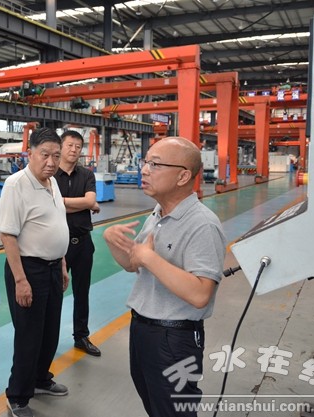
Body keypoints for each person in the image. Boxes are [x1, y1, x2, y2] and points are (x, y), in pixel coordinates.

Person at [103, 136, 227, 417]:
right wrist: (113, 242)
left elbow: (200, 294)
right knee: (155, 406)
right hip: (144, 329)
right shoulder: (157, 214)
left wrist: (149, 258)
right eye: (146, 162)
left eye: (155, 164)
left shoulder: (202, 225)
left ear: (183, 176)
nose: (145, 170)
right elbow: (133, 263)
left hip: (175, 339)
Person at [0, 127, 70, 417]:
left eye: (56, 156)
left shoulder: (52, 183)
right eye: (45, 155)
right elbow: (8, 235)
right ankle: (17, 395)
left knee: (50, 331)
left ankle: (40, 379)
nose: (51, 162)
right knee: (29, 336)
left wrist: (62, 264)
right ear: (30, 153)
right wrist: (20, 280)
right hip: (28, 269)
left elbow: (57, 224)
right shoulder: (16, 184)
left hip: (53, 268)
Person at [54, 130, 102, 357]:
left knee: (82, 293)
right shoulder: (51, 175)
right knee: (54, 295)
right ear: (61, 147)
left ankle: (81, 336)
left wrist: (61, 203)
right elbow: (49, 205)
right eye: (69, 145)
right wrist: (85, 204)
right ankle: (49, 340)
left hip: (83, 243)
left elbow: (90, 200)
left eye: (78, 146)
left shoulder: (87, 174)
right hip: (58, 246)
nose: (74, 150)